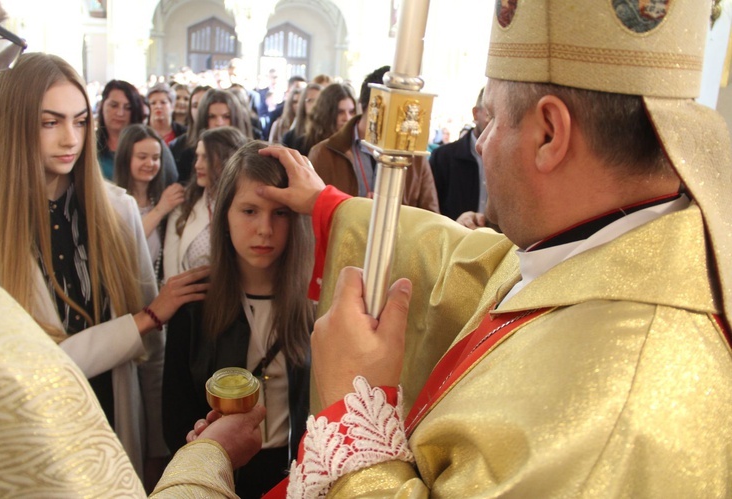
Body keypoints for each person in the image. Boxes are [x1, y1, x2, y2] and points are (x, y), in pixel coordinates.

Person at [256, 0, 732, 496]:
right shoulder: (621, 247)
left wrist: (353, 408)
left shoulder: (618, 413)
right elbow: (467, 265)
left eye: (494, 119)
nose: (480, 143)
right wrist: (330, 205)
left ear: (549, 133)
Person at [0, 3, 264, 496]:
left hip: (117, 413)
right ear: (15, 124)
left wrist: (158, 443)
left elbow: (152, 356)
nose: (70, 139)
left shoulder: (116, 210)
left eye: (78, 121)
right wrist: (143, 319)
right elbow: (37, 372)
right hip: (35, 437)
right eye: (50, 122)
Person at [164, 140, 314, 498]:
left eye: (280, 213)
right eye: (249, 211)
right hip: (219, 479)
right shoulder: (193, 305)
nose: (265, 229)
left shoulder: (315, 303)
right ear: (223, 215)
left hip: (298, 478)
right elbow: (175, 415)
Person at [309, 65, 439, 212]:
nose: (402, 122)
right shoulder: (324, 154)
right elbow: (311, 216)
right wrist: (353, 211)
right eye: (397, 112)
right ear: (372, 107)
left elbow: (431, 217)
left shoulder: (415, 158)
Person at [164, 126, 248, 279]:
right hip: (189, 299)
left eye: (206, 157)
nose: (197, 165)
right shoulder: (185, 204)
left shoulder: (249, 206)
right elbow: (171, 268)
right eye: (197, 157)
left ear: (228, 159)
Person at [113, 124, 185, 282]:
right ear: (126, 158)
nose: (150, 164)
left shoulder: (159, 197)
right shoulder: (114, 201)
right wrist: (160, 210)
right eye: (142, 157)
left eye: (155, 158)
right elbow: (124, 243)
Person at [96, 79, 178, 183]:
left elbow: (171, 182)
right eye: (114, 105)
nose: (120, 113)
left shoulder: (152, 142)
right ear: (102, 105)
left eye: (128, 108)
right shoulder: (89, 144)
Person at [430, 87, 490, 225]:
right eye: (490, 115)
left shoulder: (511, 161)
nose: (494, 124)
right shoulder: (443, 157)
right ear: (476, 114)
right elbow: (431, 213)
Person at [281, 82, 322, 151]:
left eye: (319, 101)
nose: (315, 104)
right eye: (311, 100)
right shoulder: (289, 137)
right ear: (303, 103)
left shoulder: (328, 136)